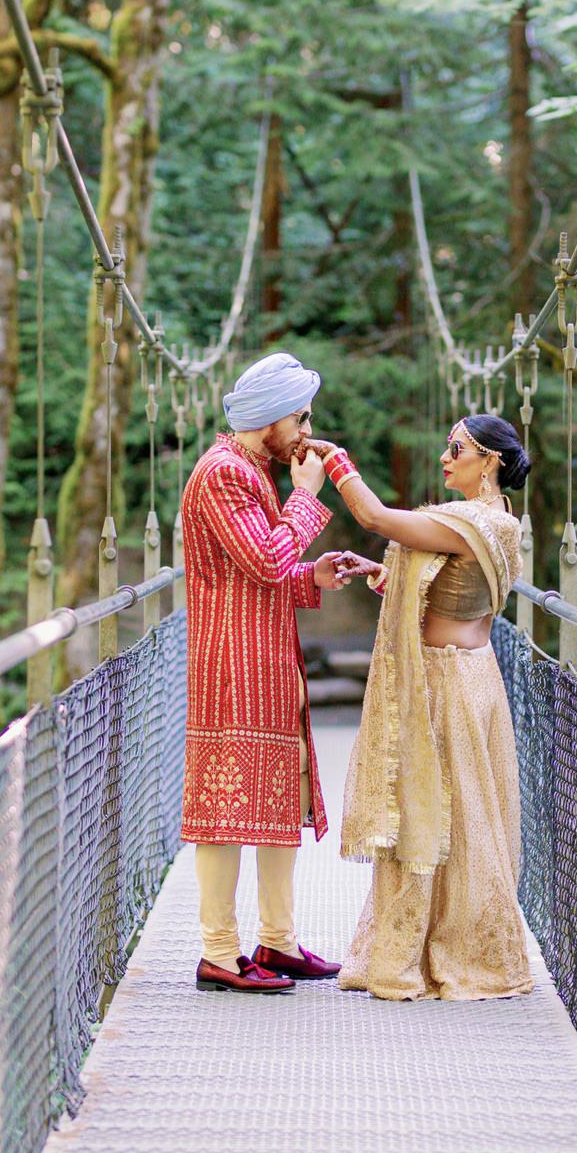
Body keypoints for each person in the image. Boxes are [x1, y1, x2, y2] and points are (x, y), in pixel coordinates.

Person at [312, 415, 534, 1001]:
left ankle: (457, 953)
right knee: (443, 817)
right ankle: (424, 945)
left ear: (489, 460)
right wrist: (384, 574)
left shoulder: (481, 522)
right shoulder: (485, 522)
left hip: (452, 684)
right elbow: (453, 589)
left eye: (457, 448)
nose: (445, 456)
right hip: (459, 678)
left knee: (442, 818)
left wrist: (334, 458)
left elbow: (377, 518)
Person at [178, 352, 380, 994]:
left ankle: (278, 942)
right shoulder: (223, 476)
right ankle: (218, 950)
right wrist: (306, 498)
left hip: (265, 658)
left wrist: (312, 575)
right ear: (268, 419)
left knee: (275, 797)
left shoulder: (249, 471)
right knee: (227, 803)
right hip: (233, 664)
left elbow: (263, 571)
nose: (306, 428)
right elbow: (265, 561)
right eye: (299, 416)